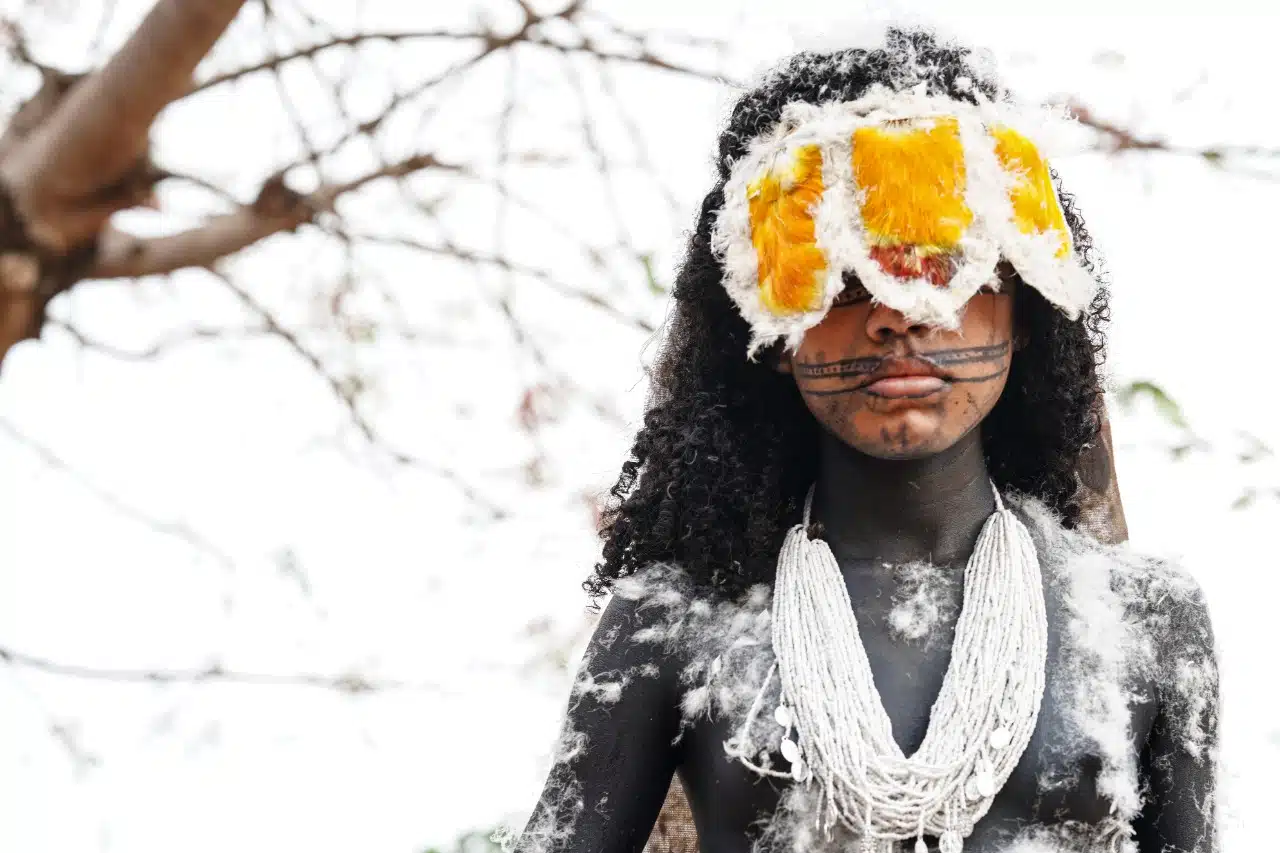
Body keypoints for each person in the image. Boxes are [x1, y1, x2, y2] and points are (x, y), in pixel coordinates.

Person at [505, 27, 1218, 853]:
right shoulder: (675, 621)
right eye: (841, 275)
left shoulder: (1144, 620)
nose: (898, 312)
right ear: (771, 325)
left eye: (948, 263)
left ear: (1026, 309)